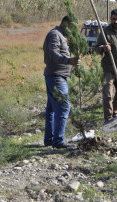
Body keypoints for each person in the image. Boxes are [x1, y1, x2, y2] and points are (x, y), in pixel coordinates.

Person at [43, 16, 80, 149]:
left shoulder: (62, 35)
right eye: (73, 27)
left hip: (58, 76)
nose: (74, 31)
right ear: (66, 23)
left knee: (52, 109)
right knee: (64, 107)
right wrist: (68, 61)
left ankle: (50, 139)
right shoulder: (55, 34)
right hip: (56, 76)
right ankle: (58, 141)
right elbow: (53, 53)